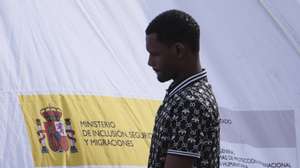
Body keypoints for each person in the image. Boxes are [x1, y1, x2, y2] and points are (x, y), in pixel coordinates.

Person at [145, 9, 220, 168]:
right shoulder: (182, 95)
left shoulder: (190, 103)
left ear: (179, 50)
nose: (150, 62)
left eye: (155, 54)